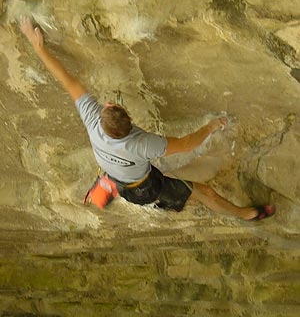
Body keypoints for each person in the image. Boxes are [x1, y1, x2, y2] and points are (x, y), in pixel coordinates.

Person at [20, 17, 275, 221]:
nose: (107, 104)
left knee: (117, 173)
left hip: (116, 171)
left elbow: (67, 79)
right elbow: (187, 144)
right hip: (144, 188)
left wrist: (37, 46)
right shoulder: (142, 143)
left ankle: (108, 185)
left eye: (107, 106)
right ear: (129, 121)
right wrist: (211, 125)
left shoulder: (92, 120)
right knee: (204, 193)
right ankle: (247, 215)